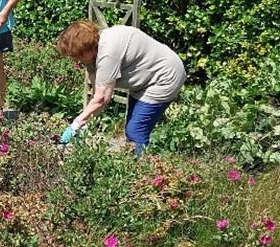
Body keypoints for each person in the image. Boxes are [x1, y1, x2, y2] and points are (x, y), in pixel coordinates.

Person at [56, 20, 186, 153]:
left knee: (135, 131)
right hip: (145, 80)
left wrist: (76, 124)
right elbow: (97, 95)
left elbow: (102, 98)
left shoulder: (107, 52)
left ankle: (142, 169)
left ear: (87, 47)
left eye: (77, 54)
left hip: (164, 77)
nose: (76, 59)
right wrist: (85, 123)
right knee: (132, 130)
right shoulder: (93, 54)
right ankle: (138, 161)